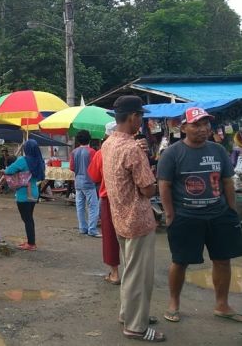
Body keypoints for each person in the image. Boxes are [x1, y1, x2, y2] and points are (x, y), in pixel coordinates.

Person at [157, 107, 242, 323]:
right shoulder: (172, 153)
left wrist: (232, 211)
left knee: (222, 260)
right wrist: (169, 214)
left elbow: (227, 182)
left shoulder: (218, 150)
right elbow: (164, 186)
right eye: (196, 124)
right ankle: (174, 302)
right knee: (180, 262)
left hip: (219, 215)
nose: (203, 129)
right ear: (184, 127)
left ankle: (222, 305)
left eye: (206, 124)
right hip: (186, 216)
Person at [101, 95, 165, 342]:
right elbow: (148, 188)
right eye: (140, 116)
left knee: (130, 271)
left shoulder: (108, 144)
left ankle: (129, 314)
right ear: (133, 117)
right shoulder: (133, 149)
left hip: (120, 216)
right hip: (138, 219)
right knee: (139, 276)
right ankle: (135, 326)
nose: (141, 120)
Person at [87, 122, 120, 285]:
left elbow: (94, 176)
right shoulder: (134, 148)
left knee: (110, 236)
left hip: (108, 198)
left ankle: (115, 273)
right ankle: (131, 273)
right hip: (131, 199)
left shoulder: (101, 153)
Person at [4, 139, 45, 251]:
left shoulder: (23, 160)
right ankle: (30, 241)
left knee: (27, 219)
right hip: (34, 191)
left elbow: (8, 170)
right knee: (29, 217)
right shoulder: (40, 161)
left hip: (23, 193)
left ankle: (31, 243)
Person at [70, 130, 101, 237]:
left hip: (78, 182)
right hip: (89, 182)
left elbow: (72, 167)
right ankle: (92, 229)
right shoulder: (92, 152)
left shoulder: (74, 152)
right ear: (90, 139)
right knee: (93, 206)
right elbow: (95, 167)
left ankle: (82, 227)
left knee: (80, 206)